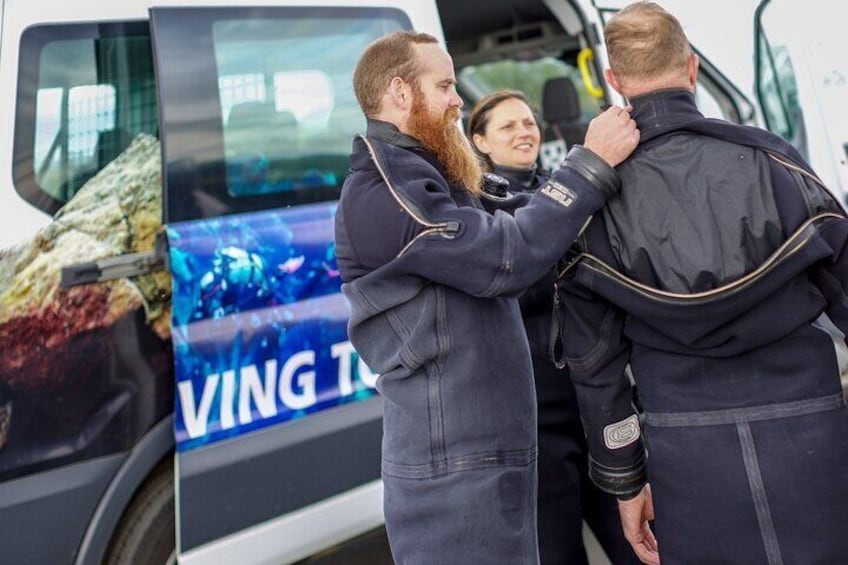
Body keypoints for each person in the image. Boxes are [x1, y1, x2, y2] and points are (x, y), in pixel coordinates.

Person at [556, 3, 848, 564]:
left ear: (615, 83)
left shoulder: (596, 206)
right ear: (691, 69)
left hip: (686, 452)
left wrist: (623, 480)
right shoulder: (774, 160)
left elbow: (595, 367)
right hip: (809, 432)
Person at [334, 30, 639, 564]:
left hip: (487, 458)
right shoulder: (384, 192)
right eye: (446, 85)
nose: (458, 101)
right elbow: (508, 257)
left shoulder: (432, 176)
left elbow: (523, 206)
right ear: (401, 93)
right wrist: (589, 164)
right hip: (450, 474)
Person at [467, 89, 639, 565]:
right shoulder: (477, 208)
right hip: (536, 410)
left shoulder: (561, 189)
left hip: (592, 396)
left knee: (636, 541)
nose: (524, 132)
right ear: (479, 141)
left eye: (528, 123)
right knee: (558, 547)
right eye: (507, 127)